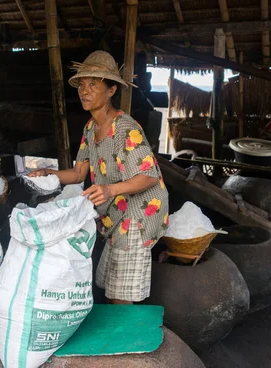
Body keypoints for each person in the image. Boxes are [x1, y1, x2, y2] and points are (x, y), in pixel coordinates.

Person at [28, 50, 169, 304]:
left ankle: (127, 339)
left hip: (139, 213)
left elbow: (148, 176)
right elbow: (78, 173)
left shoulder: (126, 128)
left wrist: (110, 190)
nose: (85, 90)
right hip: (116, 210)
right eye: (82, 84)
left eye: (94, 84)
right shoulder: (90, 128)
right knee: (107, 282)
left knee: (120, 295)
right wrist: (49, 173)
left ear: (111, 90)